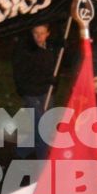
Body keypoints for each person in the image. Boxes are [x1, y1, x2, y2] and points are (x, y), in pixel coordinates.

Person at [11, 21, 58, 160]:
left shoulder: (51, 48)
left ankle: (22, 151)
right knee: (43, 130)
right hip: (31, 93)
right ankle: (43, 164)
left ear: (48, 34)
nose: (39, 36)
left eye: (42, 33)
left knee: (46, 125)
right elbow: (25, 74)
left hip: (46, 91)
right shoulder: (25, 50)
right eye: (35, 33)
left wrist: (54, 82)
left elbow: (55, 67)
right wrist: (47, 80)